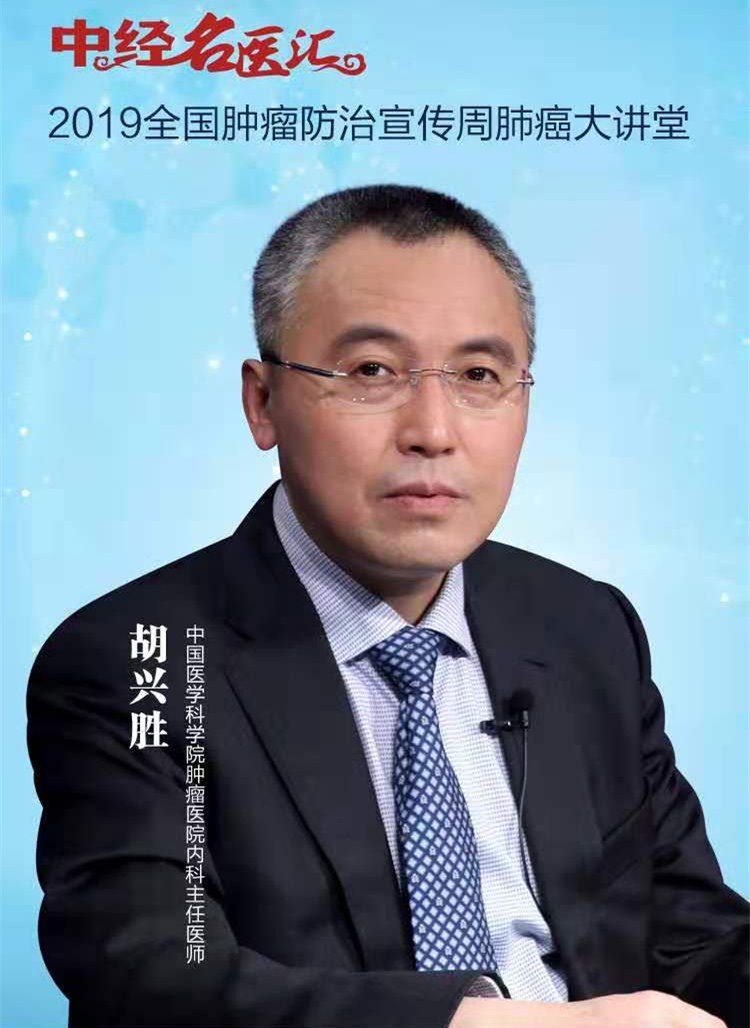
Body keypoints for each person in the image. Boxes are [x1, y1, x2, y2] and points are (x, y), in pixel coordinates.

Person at [27, 184, 748, 1028]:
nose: (433, 430)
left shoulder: (585, 628)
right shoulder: (139, 656)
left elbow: (694, 942)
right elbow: (157, 972)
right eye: (372, 371)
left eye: (479, 376)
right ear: (263, 402)